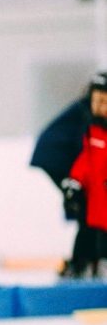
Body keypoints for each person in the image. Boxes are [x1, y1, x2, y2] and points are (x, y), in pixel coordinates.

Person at [31, 78, 101, 278]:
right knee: (88, 209)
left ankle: (84, 262)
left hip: (57, 156)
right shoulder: (88, 112)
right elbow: (86, 147)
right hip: (57, 159)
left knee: (87, 209)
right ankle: (81, 263)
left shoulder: (89, 107)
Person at [62, 72, 107, 276]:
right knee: (94, 240)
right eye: (96, 101)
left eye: (104, 102)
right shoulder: (92, 132)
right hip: (97, 205)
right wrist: (75, 181)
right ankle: (88, 271)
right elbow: (85, 162)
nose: (99, 107)